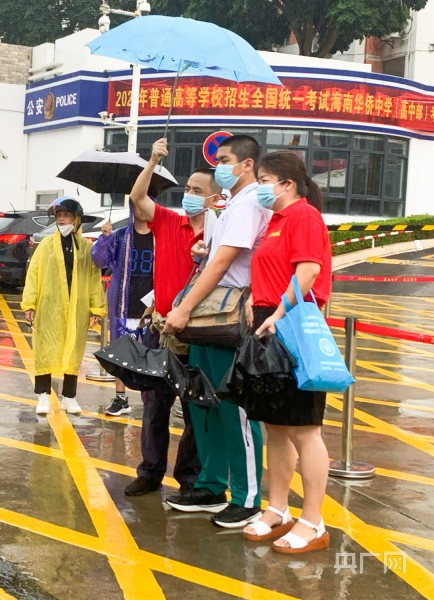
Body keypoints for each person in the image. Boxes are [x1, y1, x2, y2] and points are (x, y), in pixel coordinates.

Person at [164, 135, 272, 528]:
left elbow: (226, 262)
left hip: (228, 317)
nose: (218, 169)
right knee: (203, 402)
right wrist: (203, 253)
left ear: (246, 165)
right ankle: (211, 486)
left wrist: (184, 307)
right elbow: (219, 255)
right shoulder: (232, 205)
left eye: (225, 160)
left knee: (235, 410)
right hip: (212, 315)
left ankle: (247, 498)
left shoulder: (248, 202)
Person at [241, 151, 332, 553]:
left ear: (287, 184)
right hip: (267, 322)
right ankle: (278, 508)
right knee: (274, 426)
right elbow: (272, 269)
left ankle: (313, 520)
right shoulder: (274, 221)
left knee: (303, 428)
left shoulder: (303, 216)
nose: (260, 187)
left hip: (292, 323)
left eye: (264, 179)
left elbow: (308, 271)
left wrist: (277, 312)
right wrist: (254, 300)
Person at [122, 139, 219, 499]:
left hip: (198, 334)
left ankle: (189, 478)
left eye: (198, 190)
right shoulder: (168, 221)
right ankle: (150, 472)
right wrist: (152, 160)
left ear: (214, 199)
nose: (189, 194)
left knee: (195, 411)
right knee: (155, 407)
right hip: (162, 331)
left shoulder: (218, 234)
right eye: (187, 188)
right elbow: (138, 197)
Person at [22, 197, 106, 415]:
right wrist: (29, 304)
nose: (62, 219)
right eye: (59, 216)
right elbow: (33, 274)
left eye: (66, 215)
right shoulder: (46, 246)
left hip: (76, 308)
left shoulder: (86, 248)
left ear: (76, 219)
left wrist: (96, 307)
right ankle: (43, 397)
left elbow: (94, 277)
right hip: (49, 306)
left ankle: (69, 397)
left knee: (74, 350)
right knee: (45, 350)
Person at [91, 206, 157, 416]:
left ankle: (152, 400)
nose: (142, 208)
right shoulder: (120, 236)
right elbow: (100, 261)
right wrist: (104, 238)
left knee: (152, 354)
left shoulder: (160, 237)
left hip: (152, 308)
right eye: (138, 203)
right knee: (120, 353)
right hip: (122, 305)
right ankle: (121, 399)